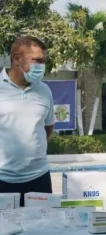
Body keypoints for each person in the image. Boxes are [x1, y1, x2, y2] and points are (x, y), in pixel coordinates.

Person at [0, 36, 55, 206]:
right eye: (37, 60)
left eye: (43, 61)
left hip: (39, 179)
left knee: (43, 229)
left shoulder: (44, 90)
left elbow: (47, 129)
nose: (41, 66)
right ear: (17, 58)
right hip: (3, 180)